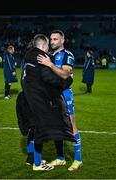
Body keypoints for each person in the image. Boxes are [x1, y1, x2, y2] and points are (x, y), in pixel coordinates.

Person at [19, 34, 76, 171]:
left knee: (33, 129)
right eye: (48, 44)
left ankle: (31, 159)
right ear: (43, 46)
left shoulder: (27, 57)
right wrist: (68, 81)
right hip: (36, 100)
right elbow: (50, 79)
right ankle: (37, 164)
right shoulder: (41, 58)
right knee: (40, 130)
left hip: (24, 99)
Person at [37, 30, 83, 171]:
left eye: (55, 39)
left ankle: (78, 159)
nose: (52, 42)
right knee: (57, 125)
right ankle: (61, 158)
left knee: (70, 124)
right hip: (52, 95)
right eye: (51, 39)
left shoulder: (67, 55)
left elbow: (65, 74)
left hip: (64, 94)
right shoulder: (50, 55)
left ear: (62, 41)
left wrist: (49, 64)